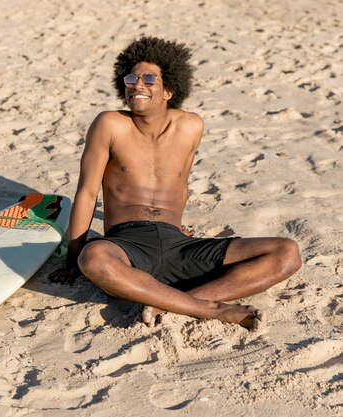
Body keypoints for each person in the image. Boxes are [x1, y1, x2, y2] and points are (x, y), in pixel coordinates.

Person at [48, 36, 302, 330]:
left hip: (179, 244)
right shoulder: (110, 124)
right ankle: (210, 309)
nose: (137, 84)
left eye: (148, 79)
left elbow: (180, 183)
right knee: (93, 259)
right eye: (132, 77)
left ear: (169, 90)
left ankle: (165, 301)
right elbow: (87, 192)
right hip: (127, 244)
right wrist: (72, 260)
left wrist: (176, 224)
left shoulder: (190, 126)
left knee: (287, 253)